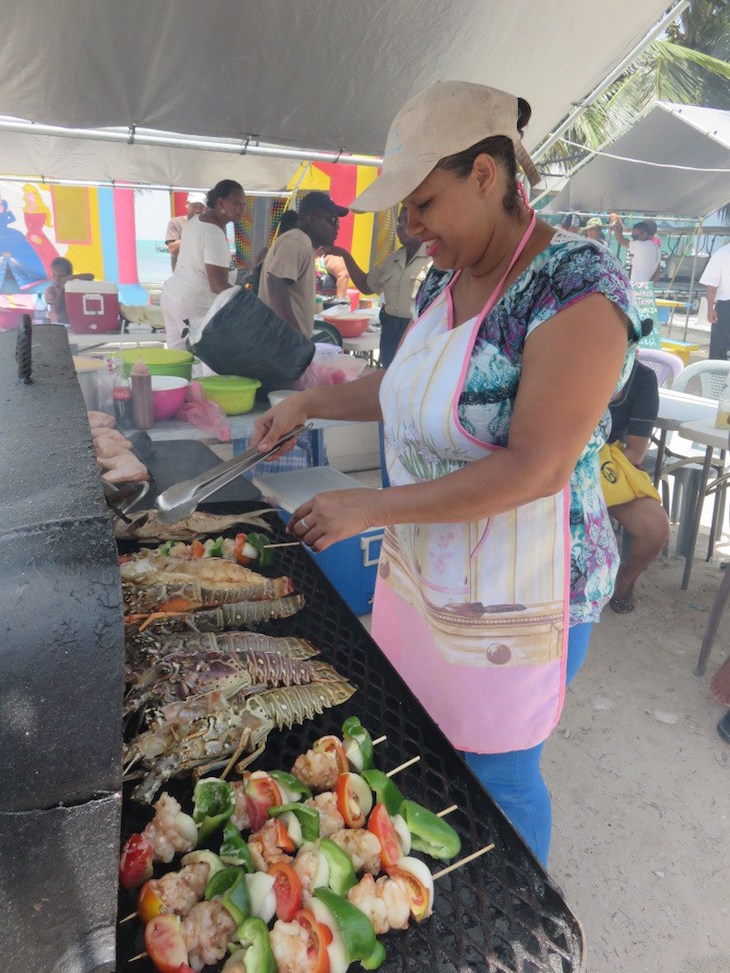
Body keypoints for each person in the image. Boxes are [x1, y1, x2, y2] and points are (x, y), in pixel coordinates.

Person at [251, 80, 642, 866]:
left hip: (525, 589)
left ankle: (520, 917)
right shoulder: (444, 277)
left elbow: (537, 468)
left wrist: (374, 506)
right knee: (424, 744)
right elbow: (407, 391)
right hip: (431, 567)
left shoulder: (576, 285)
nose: (412, 225)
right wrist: (307, 406)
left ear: (488, 176)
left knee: (496, 770)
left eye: (424, 202)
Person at [602, 358, 670, 612]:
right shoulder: (568, 360)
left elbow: (635, 453)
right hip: (560, 462)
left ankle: (625, 579)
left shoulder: (641, 378)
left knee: (655, 527)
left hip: (608, 465)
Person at [324, 207, 432, 368]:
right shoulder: (393, 259)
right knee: (386, 379)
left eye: (405, 220)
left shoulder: (433, 260)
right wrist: (345, 255)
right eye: (398, 221)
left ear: (420, 223)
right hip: (390, 334)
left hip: (417, 334)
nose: (399, 226)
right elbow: (367, 286)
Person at [160, 180, 244, 350]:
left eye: (243, 204)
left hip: (171, 297)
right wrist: (244, 302)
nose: (241, 208)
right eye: (236, 203)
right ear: (220, 202)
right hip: (192, 307)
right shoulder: (214, 233)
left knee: (179, 364)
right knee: (203, 369)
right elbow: (217, 285)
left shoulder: (196, 221)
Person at [258, 190, 347, 337]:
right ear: (311, 219)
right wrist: (297, 338)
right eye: (332, 220)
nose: (336, 227)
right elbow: (276, 285)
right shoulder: (297, 240)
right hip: (281, 344)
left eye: (338, 222)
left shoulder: (302, 243)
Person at [699, 242, 730, 361]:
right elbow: (711, 286)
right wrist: (710, 309)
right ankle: (716, 377)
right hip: (726, 306)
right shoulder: (721, 253)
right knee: (719, 346)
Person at [609, 215, 661, 283]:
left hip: (637, 287)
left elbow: (620, 239)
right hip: (647, 289)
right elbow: (657, 272)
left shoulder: (639, 245)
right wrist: (648, 286)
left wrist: (614, 223)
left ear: (645, 234)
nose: (633, 239)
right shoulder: (656, 248)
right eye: (632, 236)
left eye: (635, 236)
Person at [44, 257, 94, 323]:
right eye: (54, 275)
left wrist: (74, 277)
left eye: (61, 275)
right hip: (59, 325)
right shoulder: (50, 290)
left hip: (77, 323)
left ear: (69, 275)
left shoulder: (74, 287)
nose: (57, 278)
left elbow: (91, 276)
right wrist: (62, 288)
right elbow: (57, 309)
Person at [165, 192, 207, 270]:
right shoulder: (175, 223)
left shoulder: (209, 226)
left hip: (203, 277)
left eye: (201, 207)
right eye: (194, 206)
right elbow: (172, 250)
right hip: (181, 277)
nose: (197, 210)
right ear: (187, 204)